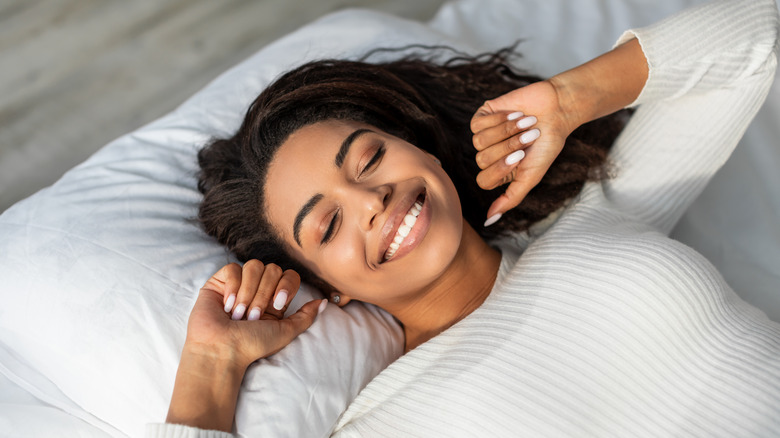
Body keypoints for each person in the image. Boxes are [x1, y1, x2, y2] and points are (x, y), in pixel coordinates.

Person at [149, 0, 780, 436]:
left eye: (368, 157)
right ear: (326, 283)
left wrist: (567, 99)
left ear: (418, 146)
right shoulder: (383, 423)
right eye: (328, 226)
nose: (370, 201)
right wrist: (210, 366)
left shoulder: (595, 216)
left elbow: (759, 38)